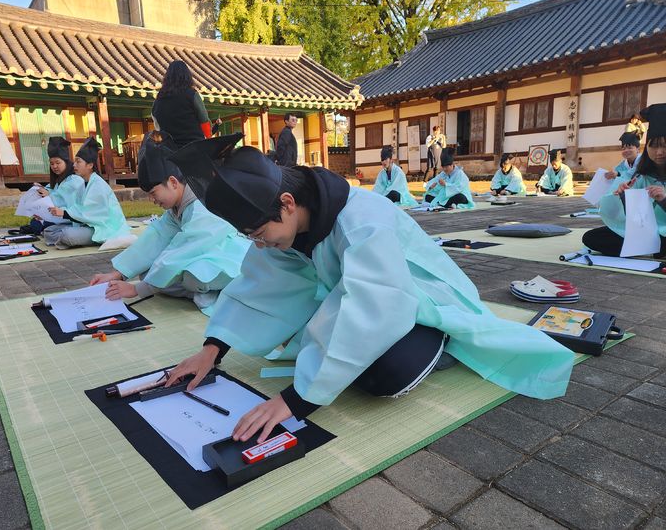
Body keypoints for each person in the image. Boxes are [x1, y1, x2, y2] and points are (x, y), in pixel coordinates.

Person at [163, 135, 574, 443]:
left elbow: (374, 303)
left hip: (419, 299)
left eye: (259, 233)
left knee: (386, 376)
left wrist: (295, 401)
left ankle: (443, 340)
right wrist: (212, 349)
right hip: (371, 304)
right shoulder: (284, 226)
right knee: (340, 364)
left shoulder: (362, 220)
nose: (259, 243)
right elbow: (260, 282)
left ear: (287, 202)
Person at [89, 132, 251, 313]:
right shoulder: (178, 206)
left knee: (192, 275)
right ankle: (202, 292)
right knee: (150, 273)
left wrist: (137, 289)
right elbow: (155, 237)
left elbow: (186, 247)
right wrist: (119, 274)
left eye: (153, 193)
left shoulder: (202, 204)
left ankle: (222, 291)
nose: (152, 200)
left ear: (173, 182)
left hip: (237, 258)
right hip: (209, 256)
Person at [584, 104, 666, 257]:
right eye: (654, 146)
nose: (659, 152)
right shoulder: (642, 175)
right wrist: (624, 196)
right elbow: (635, 218)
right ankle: (651, 247)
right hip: (647, 232)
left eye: (664, 146)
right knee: (592, 237)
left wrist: (663, 200)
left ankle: (651, 247)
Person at [44, 138, 131, 249]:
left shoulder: (98, 184)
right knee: (49, 231)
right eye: (75, 161)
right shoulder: (83, 183)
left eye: (78, 161)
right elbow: (77, 207)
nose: (74, 165)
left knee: (67, 235)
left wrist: (64, 213)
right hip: (86, 224)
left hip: (102, 227)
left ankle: (82, 238)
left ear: (90, 165)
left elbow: (90, 213)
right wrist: (59, 212)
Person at [20, 137, 84, 235]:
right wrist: (40, 189)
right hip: (55, 217)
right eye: (51, 163)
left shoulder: (74, 180)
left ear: (66, 162)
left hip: (70, 219)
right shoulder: (58, 180)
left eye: (58, 163)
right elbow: (51, 190)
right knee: (35, 223)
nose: (54, 166)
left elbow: (66, 202)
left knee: (40, 226)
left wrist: (49, 195)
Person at [151, 60, 220, 147]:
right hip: (194, 147)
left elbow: (157, 125)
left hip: (170, 150)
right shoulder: (192, 94)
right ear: (187, 76)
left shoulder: (158, 100)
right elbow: (204, 119)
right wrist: (209, 137)